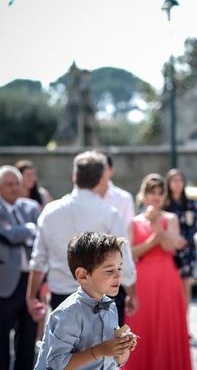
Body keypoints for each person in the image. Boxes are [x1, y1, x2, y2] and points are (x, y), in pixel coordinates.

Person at [27, 151, 138, 322]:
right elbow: (124, 257)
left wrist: (31, 295)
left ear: (74, 176)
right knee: (104, 348)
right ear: (103, 178)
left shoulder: (50, 211)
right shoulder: (109, 214)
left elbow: (39, 260)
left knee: (66, 349)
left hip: (62, 297)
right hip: (100, 297)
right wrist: (132, 293)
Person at [34, 232, 137, 369]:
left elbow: (114, 362)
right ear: (82, 276)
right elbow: (57, 364)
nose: (118, 276)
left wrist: (123, 347)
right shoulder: (68, 314)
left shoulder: (110, 307)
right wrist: (99, 351)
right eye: (109, 270)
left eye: (119, 268)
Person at [124, 174, 191, 370]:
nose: (156, 197)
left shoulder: (171, 218)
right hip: (143, 279)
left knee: (167, 326)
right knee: (142, 325)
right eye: (152, 193)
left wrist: (155, 225)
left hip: (167, 278)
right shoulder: (133, 222)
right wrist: (152, 242)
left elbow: (170, 247)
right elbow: (130, 253)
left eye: (160, 194)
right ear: (143, 195)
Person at [0, 166, 40, 370]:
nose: (14, 188)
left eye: (17, 183)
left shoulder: (31, 207)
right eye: (9, 184)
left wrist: (21, 232)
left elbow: (40, 238)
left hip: (30, 281)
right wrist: (28, 230)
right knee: (2, 335)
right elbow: (9, 235)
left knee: (28, 334)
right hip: (5, 283)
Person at [101, 154, 136, 326]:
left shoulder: (123, 198)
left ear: (111, 170)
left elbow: (126, 240)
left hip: (115, 272)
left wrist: (129, 284)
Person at [165, 168, 197, 323]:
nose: (177, 184)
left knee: (186, 287)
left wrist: (185, 239)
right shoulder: (165, 205)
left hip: (187, 250)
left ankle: (184, 323)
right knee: (170, 289)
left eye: (180, 180)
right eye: (174, 180)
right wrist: (174, 240)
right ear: (168, 183)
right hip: (170, 251)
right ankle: (171, 322)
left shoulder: (190, 204)